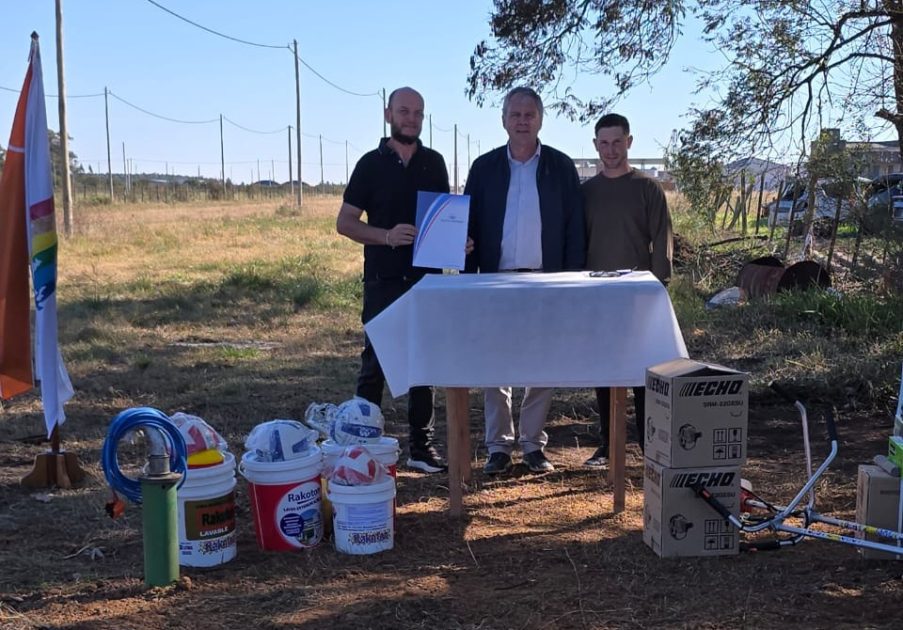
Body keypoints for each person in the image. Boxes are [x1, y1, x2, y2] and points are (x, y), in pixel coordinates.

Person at [464, 86, 585, 475]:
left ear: (540, 120)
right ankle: (498, 446)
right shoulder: (483, 168)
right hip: (495, 280)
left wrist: (572, 279)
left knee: (542, 363)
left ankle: (533, 444)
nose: (522, 121)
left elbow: (574, 229)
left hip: (546, 280)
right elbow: (466, 224)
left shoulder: (560, 167)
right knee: (494, 364)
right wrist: (466, 269)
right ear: (503, 120)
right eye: (515, 115)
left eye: (529, 114)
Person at [336, 87, 451, 474]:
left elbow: (443, 217)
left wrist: (458, 241)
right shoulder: (370, 164)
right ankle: (360, 445)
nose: (411, 119)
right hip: (383, 279)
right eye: (404, 111)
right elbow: (345, 223)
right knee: (375, 363)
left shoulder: (434, 162)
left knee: (424, 363)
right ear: (388, 115)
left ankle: (422, 448)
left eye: (418, 113)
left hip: (426, 280)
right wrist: (386, 236)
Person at [581, 113, 673, 468]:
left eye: (617, 142)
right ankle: (608, 443)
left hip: (639, 296)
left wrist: (658, 287)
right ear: (595, 145)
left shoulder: (647, 188)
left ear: (629, 142)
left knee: (643, 374)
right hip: (596, 296)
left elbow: (662, 239)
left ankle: (650, 445)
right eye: (604, 143)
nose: (610, 150)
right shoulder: (586, 192)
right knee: (605, 371)